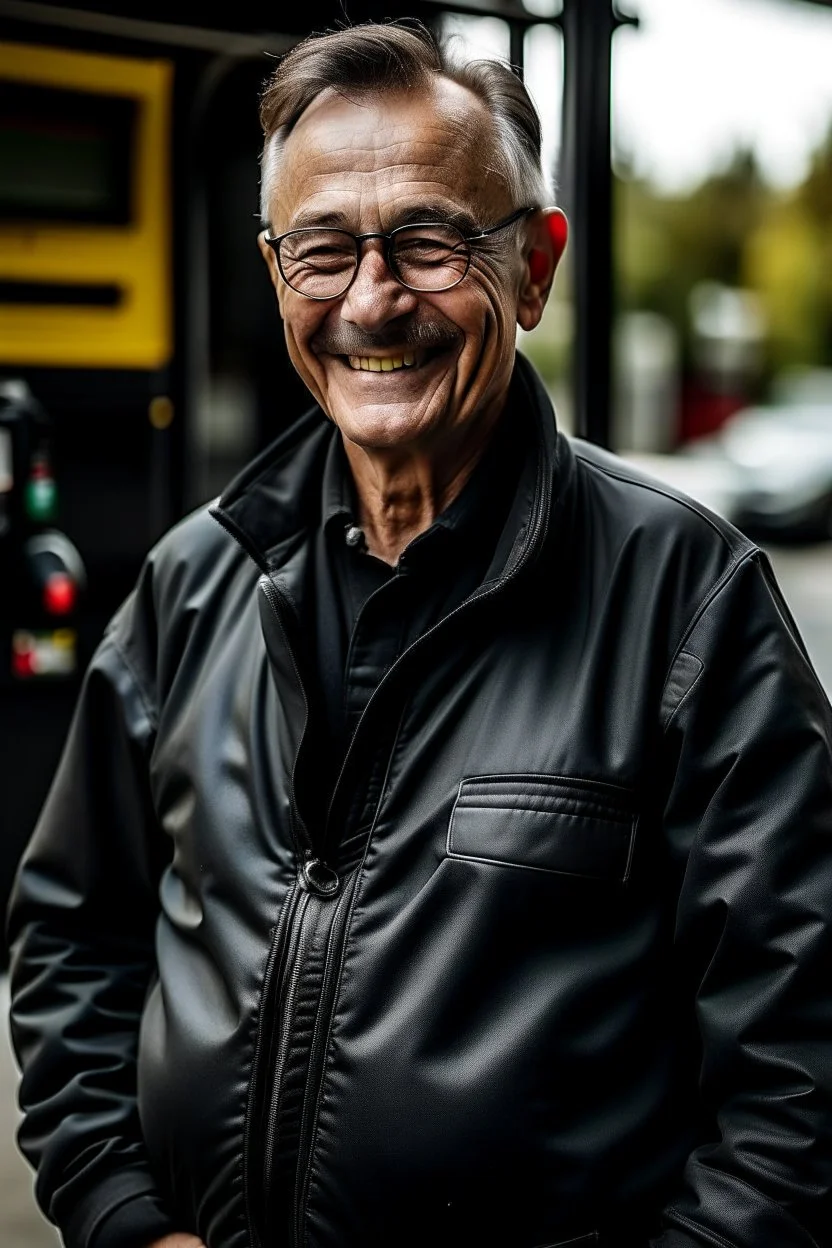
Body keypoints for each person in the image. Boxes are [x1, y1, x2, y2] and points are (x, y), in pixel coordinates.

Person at [6, 19, 832, 1248]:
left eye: (431, 241)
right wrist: (124, 1217)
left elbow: (801, 1068)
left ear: (537, 267)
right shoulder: (194, 583)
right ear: (275, 268)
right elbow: (74, 938)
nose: (372, 299)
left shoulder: (685, 598)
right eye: (323, 250)